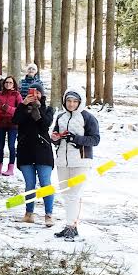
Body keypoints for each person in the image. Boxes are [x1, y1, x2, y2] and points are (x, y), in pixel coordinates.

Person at [50, 89, 101, 240]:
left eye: (75, 101)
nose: (71, 104)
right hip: (62, 162)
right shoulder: (60, 117)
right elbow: (55, 138)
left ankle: (71, 226)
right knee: (66, 195)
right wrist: (55, 138)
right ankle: (69, 226)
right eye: (69, 101)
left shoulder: (88, 118)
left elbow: (95, 139)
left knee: (74, 195)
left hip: (81, 161)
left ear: (80, 102)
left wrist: (76, 139)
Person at [13, 83, 56, 226]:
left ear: (42, 95)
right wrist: (23, 106)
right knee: (29, 184)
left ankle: (48, 214)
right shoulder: (23, 108)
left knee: (45, 183)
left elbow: (45, 124)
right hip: (25, 150)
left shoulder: (49, 109)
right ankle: (28, 213)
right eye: (32, 92)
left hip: (43, 152)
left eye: (38, 92)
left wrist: (37, 108)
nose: (35, 95)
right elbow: (15, 121)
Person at [0, 76, 22, 176]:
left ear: (14, 84)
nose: (8, 84)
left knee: (11, 146)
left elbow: (20, 110)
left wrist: (8, 109)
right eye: (6, 82)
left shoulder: (17, 95)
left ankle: (11, 168)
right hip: (0, 123)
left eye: (10, 83)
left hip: (13, 124)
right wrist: (1, 110)